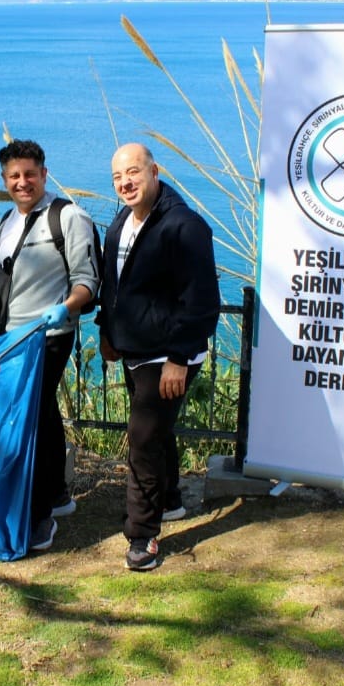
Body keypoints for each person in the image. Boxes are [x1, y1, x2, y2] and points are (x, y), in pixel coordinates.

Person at [0, 139, 100, 553]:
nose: (22, 182)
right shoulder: (7, 223)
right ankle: (57, 495)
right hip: (6, 342)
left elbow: (86, 280)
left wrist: (66, 309)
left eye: (29, 174)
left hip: (46, 337)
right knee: (41, 415)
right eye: (13, 177)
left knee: (32, 420)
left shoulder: (69, 217)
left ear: (44, 173)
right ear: (6, 182)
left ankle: (39, 515)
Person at [97, 143, 220, 571]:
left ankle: (143, 534)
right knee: (157, 433)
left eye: (133, 172)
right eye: (117, 177)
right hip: (134, 348)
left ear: (154, 171)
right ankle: (168, 501)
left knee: (143, 440)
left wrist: (179, 358)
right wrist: (106, 333)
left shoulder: (184, 226)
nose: (125, 182)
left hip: (168, 353)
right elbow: (112, 286)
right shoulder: (121, 223)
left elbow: (202, 301)